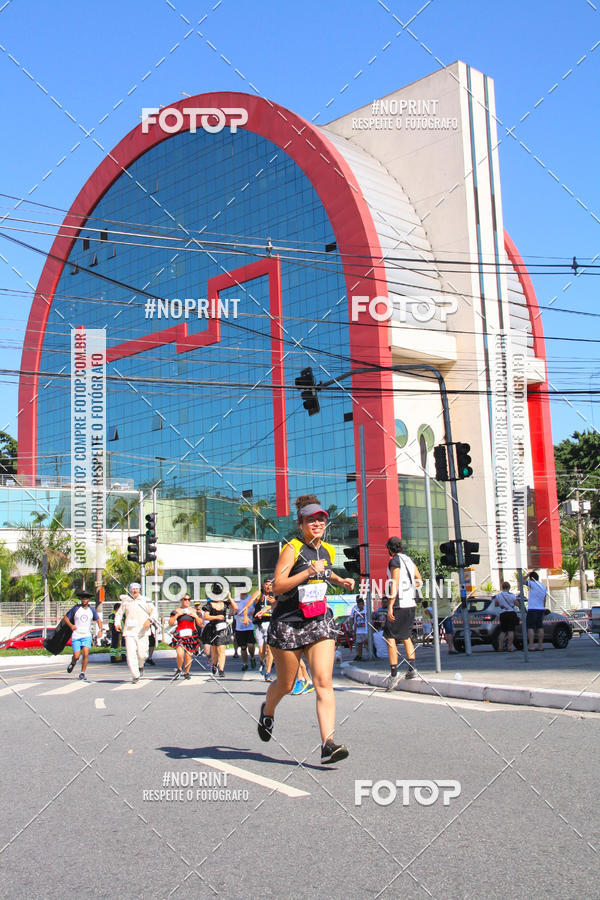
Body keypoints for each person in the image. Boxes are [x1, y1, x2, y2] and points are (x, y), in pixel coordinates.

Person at [258, 494, 355, 765]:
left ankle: (328, 744)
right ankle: (267, 710)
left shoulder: (327, 550)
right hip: (288, 624)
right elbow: (277, 587)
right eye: (311, 519)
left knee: (323, 681)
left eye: (320, 519)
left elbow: (324, 572)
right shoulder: (293, 547)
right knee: (286, 684)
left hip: (318, 620)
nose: (317, 523)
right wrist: (306, 572)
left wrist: (341, 580)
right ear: (300, 523)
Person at [384, 537, 421, 691]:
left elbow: (395, 583)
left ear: (390, 549)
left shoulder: (395, 561)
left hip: (399, 603)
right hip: (410, 603)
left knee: (390, 637)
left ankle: (394, 673)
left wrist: (390, 605)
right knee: (406, 636)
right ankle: (412, 668)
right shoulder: (409, 560)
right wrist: (410, 588)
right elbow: (419, 579)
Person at [115, 583, 158, 683]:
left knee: (142, 654)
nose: (134, 591)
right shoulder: (126, 601)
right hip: (129, 632)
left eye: (136, 589)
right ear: (130, 591)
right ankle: (135, 675)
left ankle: (141, 666)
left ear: (139, 590)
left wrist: (150, 620)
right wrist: (117, 623)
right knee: (130, 654)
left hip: (143, 631)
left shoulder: (145, 600)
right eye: (133, 589)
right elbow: (119, 613)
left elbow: (154, 611)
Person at [64, 589, 103, 682]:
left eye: (86, 598)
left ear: (89, 600)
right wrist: (71, 625)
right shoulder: (76, 609)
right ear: (81, 599)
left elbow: (98, 620)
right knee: (77, 656)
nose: (84, 600)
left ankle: (82, 673)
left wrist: (100, 630)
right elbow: (65, 618)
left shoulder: (92, 610)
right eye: (83, 598)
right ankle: (73, 662)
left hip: (86, 635)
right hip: (76, 635)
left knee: (85, 654)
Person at [203, 584, 237, 678]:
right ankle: (214, 664)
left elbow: (235, 608)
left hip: (222, 629)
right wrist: (216, 617)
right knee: (214, 650)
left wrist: (230, 598)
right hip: (213, 628)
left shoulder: (225, 603)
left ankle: (221, 669)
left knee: (221, 649)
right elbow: (205, 616)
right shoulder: (209, 605)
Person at [169, 593, 204, 679]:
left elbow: (200, 623)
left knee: (188, 655)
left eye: (189, 599)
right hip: (180, 634)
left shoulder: (194, 611)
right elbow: (171, 623)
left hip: (190, 635)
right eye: (185, 599)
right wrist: (177, 615)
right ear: (181, 600)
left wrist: (195, 616)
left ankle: (187, 672)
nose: (187, 601)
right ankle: (179, 668)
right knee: (180, 653)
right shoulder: (177, 610)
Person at [253, 579, 275, 681]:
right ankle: (262, 662)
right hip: (259, 624)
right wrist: (245, 614)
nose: (268, 586)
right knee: (262, 650)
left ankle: (268, 672)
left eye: (270, 584)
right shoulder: (259, 594)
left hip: (271, 623)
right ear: (263, 585)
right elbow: (249, 603)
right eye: (267, 584)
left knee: (269, 648)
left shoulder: (275, 594)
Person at [491, 582, 519, 651]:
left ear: (502, 587)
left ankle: (500, 647)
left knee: (503, 631)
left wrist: (502, 604)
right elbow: (517, 604)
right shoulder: (512, 595)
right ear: (509, 587)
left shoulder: (498, 595)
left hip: (503, 614)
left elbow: (496, 604)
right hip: (511, 613)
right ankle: (509, 647)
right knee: (511, 631)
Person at [235, 590, 258, 671]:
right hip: (239, 626)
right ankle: (245, 664)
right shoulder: (236, 599)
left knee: (250, 645)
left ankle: (252, 657)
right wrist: (233, 612)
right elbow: (233, 610)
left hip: (250, 626)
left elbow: (257, 608)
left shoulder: (251, 598)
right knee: (243, 647)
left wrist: (253, 612)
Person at [526, 571, 547, 651]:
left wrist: (526, 575)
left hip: (532, 609)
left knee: (530, 627)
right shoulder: (543, 586)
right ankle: (540, 646)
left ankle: (531, 645)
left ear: (531, 578)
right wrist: (543, 608)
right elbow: (544, 599)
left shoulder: (532, 583)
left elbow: (521, 581)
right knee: (540, 627)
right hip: (541, 609)